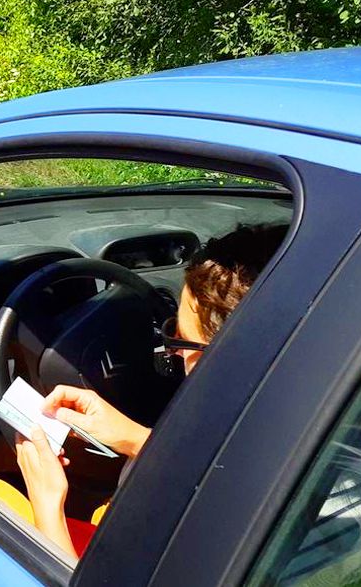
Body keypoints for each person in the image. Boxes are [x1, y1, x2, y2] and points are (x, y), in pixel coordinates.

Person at [15, 223, 287, 559]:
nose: (170, 350)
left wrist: (47, 503)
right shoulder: (286, 430)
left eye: (180, 337)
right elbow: (218, 488)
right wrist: (137, 440)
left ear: (229, 354)